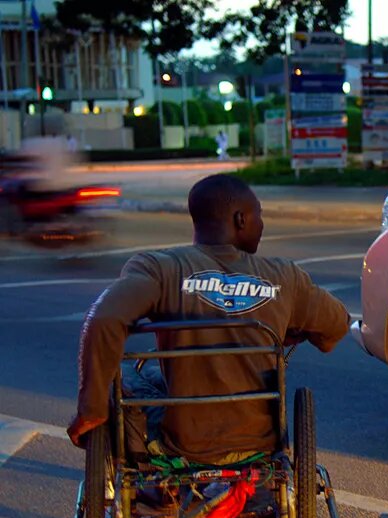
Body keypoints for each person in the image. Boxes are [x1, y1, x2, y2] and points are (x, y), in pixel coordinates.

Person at [66, 174, 349, 464]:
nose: (262, 225)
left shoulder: (160, 267)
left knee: (127, 373)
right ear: (240, 219)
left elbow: (102, 318)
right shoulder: (285, 276)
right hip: (261, 440)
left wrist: (92, 406)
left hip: (185, 443)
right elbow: (337, 325)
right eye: (259, 216)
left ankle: (149, 480)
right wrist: (289, 328)